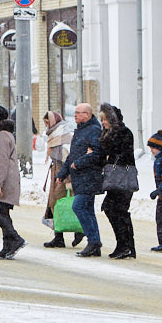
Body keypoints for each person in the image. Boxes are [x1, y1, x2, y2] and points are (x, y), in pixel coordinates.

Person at [58, 103, 104, 257]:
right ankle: (94, 243)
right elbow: (73, 155)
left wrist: (78, 163)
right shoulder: (80, 131)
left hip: (89, 177)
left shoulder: (94, 130)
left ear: (87, 114)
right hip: (80, 177)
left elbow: (97, 154)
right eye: (75, 113)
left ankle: (93, 241)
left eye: (78, 113)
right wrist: (62, 173)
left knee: (79, 207)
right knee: (88, 210)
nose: (75, 115)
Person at [0, 105, 24, 259]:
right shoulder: (5, 134)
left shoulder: (1, 136)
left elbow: (3, 162)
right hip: (8, 178)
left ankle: (15, 238)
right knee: (3, 212)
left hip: (5, 180)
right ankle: (7, 247)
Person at [98, 103, 137, 260]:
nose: (103, 123)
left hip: (123, 179)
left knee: (118, 211)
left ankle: (125, 245)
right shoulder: (110, 134)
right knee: (114, 210)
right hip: (116, 179)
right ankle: (125, 245)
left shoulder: (123, 133)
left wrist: (106, 152)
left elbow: (118, 152)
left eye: (105, 119)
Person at [41, 111, 81, 249]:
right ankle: (59, 236)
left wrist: (67, 179)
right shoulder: (54, 134)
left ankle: (78, 230)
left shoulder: (63, 136)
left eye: (48, 122)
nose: (46, 125)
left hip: (63, 175)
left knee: (62, 203)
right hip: (56, 173)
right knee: (54, 204)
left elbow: (67, 158)